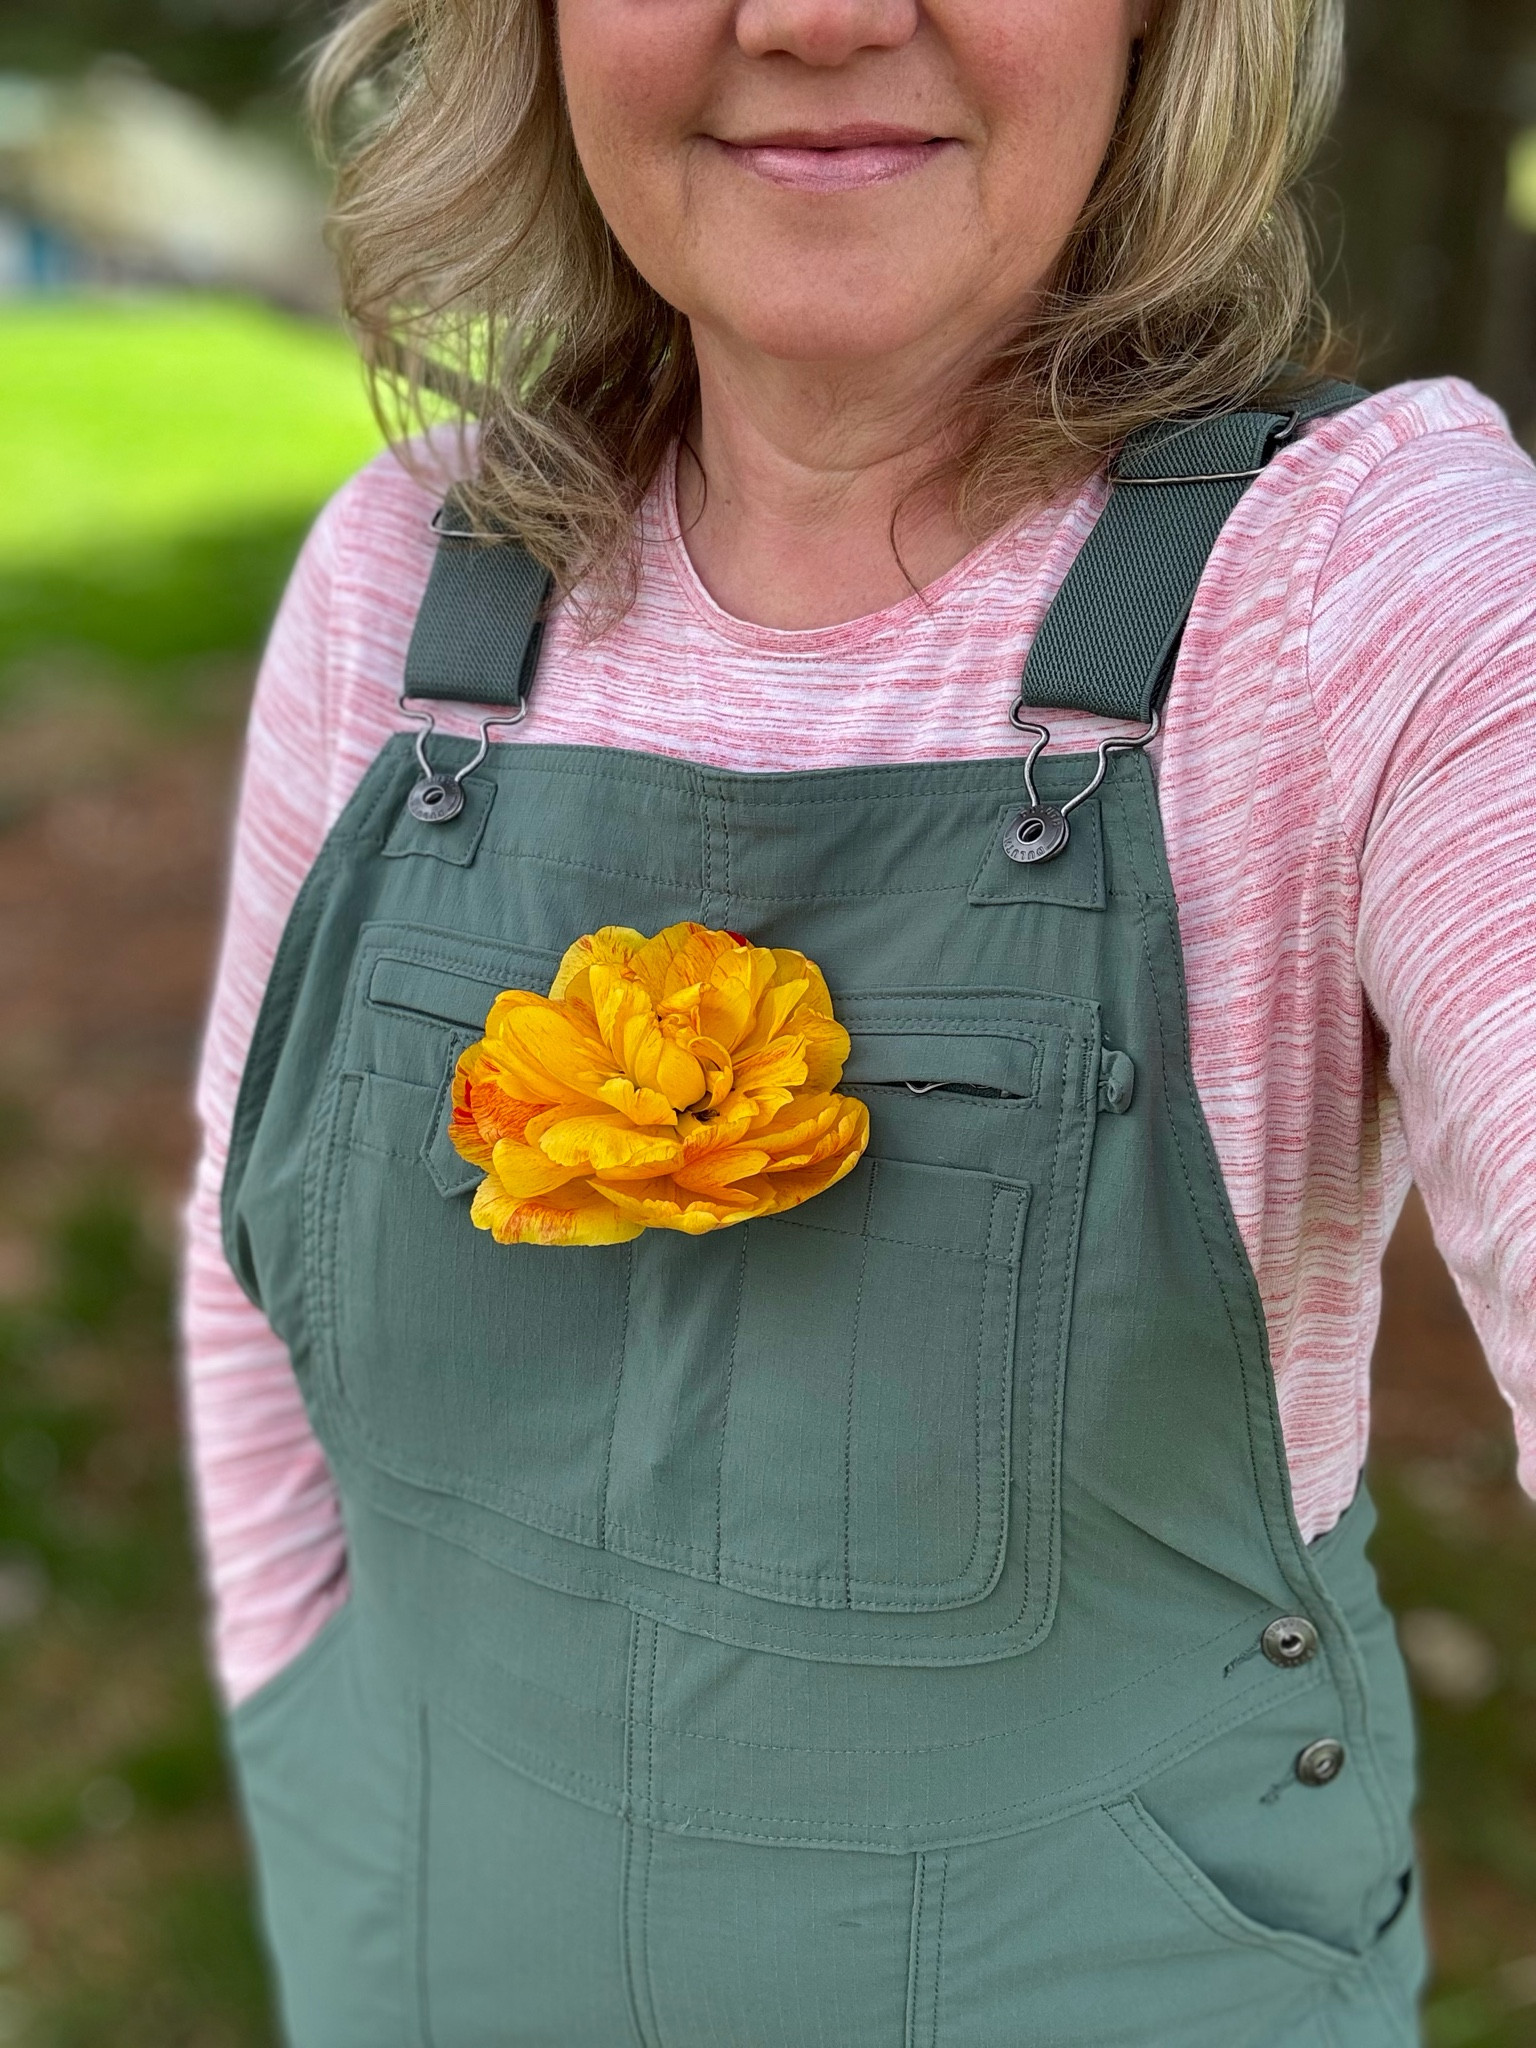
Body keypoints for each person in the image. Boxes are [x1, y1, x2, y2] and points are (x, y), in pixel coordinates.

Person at [182, 0, 1536, 2041]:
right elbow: (245, 1280)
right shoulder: (403, 584)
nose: (815, 18)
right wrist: (327, 1791)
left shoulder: (1362, 593)